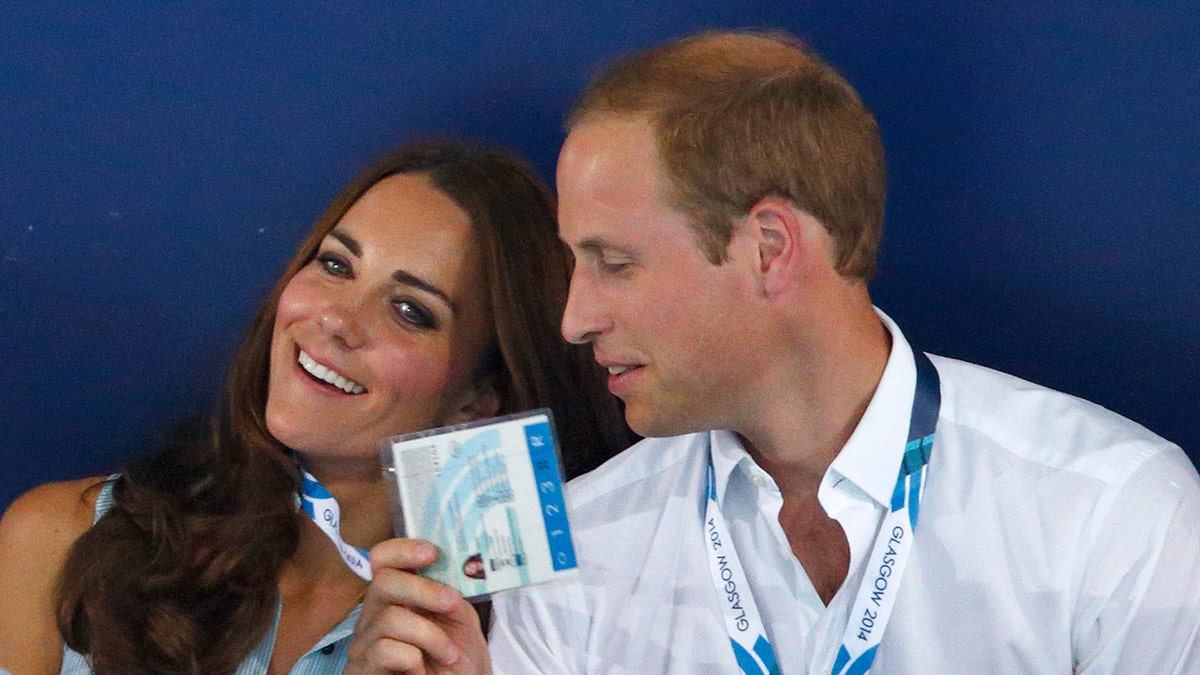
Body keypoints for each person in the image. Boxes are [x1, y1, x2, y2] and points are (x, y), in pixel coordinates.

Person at [356, 30, 1200, 674]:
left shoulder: (1116, 517)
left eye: (614, 262)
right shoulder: (577, 545)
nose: (573, 318)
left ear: (768, 247)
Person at [0, 139, 632, 674]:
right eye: (335, 264)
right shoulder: (59, 540)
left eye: (411, 311)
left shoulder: (529, 640)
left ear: (477, 400)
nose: (335, 319)